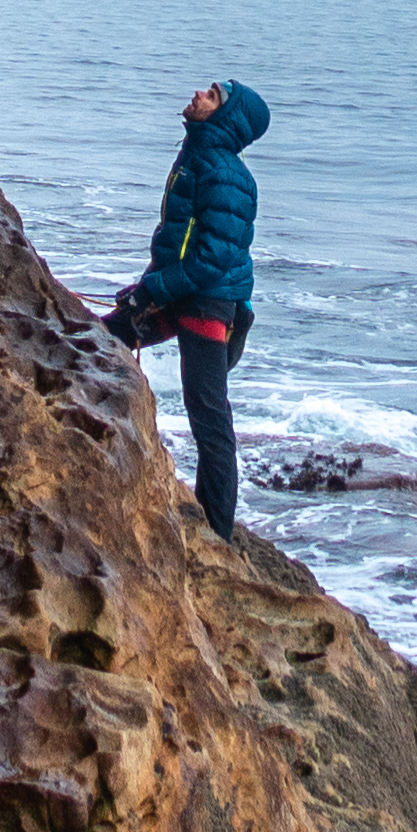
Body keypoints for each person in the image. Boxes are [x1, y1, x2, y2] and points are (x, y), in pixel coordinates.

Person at [106, 74, 269, 538]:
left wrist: (151, 292)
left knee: (209, 416)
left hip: (209, 303)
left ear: (225, 117)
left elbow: (210, 258)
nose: (199, 94)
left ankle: (218, 531)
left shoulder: (226, 174)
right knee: (104, 337)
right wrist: (146, 288)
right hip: (181, 292)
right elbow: (181, 246)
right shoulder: (197, 157)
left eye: (212, 95)